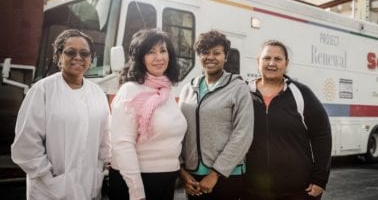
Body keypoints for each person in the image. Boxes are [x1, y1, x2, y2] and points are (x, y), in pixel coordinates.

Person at [11, 29, 111, 199]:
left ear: (91, 58)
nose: (78, 57)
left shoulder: (97, 93)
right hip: (49, 190)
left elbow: (105, 138)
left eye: (84, 53)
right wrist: (48, 178)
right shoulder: (42, 90)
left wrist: (101, 170)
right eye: (70, 52)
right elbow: (26, 144)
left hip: (89, 186)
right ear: (58, 57)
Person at [243, 40, 332, 200]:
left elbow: (322, 135)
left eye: (278, 59)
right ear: (258, 61)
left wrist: (320, 179)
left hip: (298, 191)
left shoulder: (301, 93)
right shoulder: (243, 92)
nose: (271, 63)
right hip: (253, 191)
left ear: (286, 64)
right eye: (266, 58)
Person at [109, 28, 187, 200]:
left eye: (163, 50)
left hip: (166, 181)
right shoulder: (130, 91)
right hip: (136, 184)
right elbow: (122, 144)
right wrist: (137, 192)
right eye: (151, 52)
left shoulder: (166, 90)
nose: (159, 57)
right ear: (140, 58)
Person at [178, 30, 254, 200]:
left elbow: (243, 134)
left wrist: (215, 173)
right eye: (205, 52)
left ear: (226, 56)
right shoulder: (188, 89)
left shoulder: (238, 88)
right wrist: (182, 171)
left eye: (216, 53)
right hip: (192, 177)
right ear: (199, 56)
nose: (210, 57)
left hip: (227, 176)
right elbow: (177, 131)